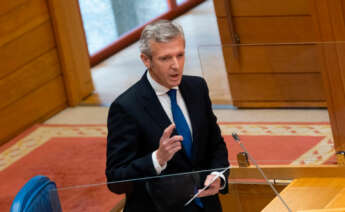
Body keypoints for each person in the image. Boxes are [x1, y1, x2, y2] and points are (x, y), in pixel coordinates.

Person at [106, 20, 229, 212]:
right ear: (146, 60)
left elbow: (215, 144)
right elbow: (116, 180)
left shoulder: (197, 88)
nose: (176, 66)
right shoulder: (126, 107)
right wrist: (157, 159)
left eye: (180, 55)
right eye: (165, 58)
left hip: (206, 206)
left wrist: (217, 175)